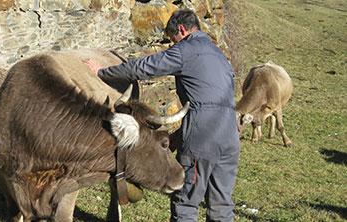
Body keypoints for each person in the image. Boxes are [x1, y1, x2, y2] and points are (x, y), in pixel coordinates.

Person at [84, 9, 240, 222]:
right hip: (230, 133)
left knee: (185, 200)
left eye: (172, 39)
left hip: (204, 132)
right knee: (222, 202)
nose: (172, 44)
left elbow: (144, 67)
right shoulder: (218, 55)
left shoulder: (186, 49)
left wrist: (102, 72)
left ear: (182, 30)